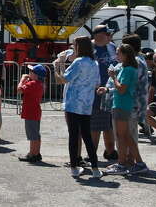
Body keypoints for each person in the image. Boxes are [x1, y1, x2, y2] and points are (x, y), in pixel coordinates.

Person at [55, 36, 102, 179]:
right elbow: (97, 84)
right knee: (87, 136)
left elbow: (63, 79)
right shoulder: (95, 63)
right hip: (87, 104)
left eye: (74, 45)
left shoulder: (78, 62)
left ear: (79, 47)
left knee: (74, 136)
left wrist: (58, 66)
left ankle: (74, 167)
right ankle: (95, 168)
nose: (72, 47)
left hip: (73, 103)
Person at [101, 44, 143, 175]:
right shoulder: (127, 68)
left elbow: (122, 89)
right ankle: (126, 162)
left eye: (118, 53)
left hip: (123, 105)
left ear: (125, 55)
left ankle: (125, 163)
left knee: (123, 136)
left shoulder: (128, 69)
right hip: (121, 104)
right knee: (123, 135)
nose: (116, 55)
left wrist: (113, 76)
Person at [120, 33, 151, 172]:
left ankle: (132, 163)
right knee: (131, 133)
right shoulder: (141, 59)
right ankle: (131, 161)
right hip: (137, 102)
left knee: (130, 134)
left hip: (132, 102)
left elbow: (130, 83)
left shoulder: (136, 62)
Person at [89, 25, 118, 161]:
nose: (110, 36)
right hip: (96, 91)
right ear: (98, 35)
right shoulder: (89, 48)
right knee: (95, 125)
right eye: (108, 34)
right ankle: (92, 154)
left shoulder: (111, 46)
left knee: (109, 124)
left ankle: (111, 151)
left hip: (111, 90)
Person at [16, 64, 46, 162]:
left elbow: (19, 90)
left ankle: (32, 154)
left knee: (32, 135)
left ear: (36, 76)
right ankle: (36, 153)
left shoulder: (32, 84)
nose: (29, 73)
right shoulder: (40, 84)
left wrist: (22, 80)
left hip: (30, 113)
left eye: (31, 72)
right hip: (36, 112)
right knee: (36, 134)